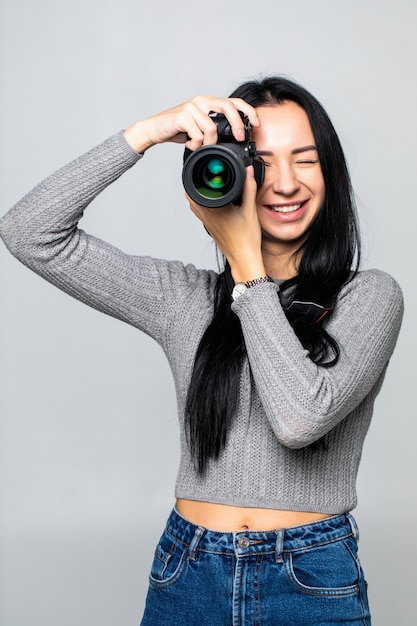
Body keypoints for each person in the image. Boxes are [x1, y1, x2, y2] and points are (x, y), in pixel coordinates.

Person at [0, 76, 403, 625]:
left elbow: (300, 417)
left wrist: (246, 267)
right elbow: (28, 231)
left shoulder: (370, 296)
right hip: (189, 572)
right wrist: (146, 134)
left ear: (330, 173)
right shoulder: (185, 300)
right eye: (260, 161)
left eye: (305, 160)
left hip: (309, 581)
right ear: (228, 170)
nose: (285, 182)